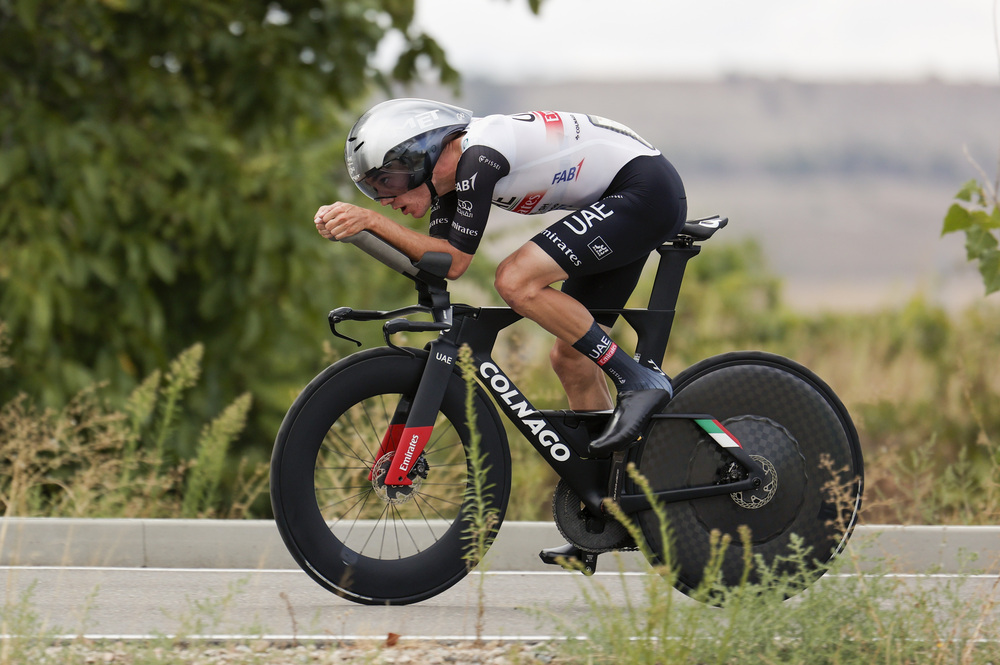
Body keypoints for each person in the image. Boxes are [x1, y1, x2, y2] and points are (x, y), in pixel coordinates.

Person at [315, 97, 686, 457]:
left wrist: (372, 221)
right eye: (372, 190)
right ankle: (613, 484)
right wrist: (361, 233)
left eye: (387, 183)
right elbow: (437, 262)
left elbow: (456, 261)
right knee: (573, 358)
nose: (383, 199)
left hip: (645, 191)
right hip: (618, 200)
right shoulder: (448, 183)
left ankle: (640, 380)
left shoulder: (479, 158)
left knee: (515, 279)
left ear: (420, 160)